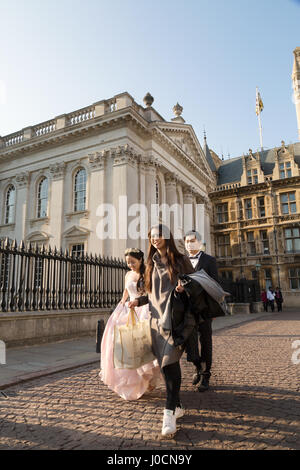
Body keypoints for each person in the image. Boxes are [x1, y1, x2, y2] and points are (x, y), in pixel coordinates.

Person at [128, 224, 194, 437]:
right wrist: (138, 301)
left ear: (167, 237)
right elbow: (151, 295)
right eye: (152, 236)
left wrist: (184, 289)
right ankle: (177, 405)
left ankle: (168, 415)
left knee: (170, 363)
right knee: (165, 367)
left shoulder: (181, 260)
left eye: (159, 235)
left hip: (176, 321)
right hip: (156, 323)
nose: (155, 239)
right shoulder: (149, 264)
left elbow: (196, 284)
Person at [100, 248, 161, 400]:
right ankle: (132, 382)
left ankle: (147, 380)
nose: (130, 265)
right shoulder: (128, 274)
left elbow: (150, 294)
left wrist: (138, 302)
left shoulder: (147, 273)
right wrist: (121, 306)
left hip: (143, 309)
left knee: (143, 347)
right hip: (129, 308)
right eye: (128, 263)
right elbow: (125, 293)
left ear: (140, 260)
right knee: (126, 346)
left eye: (133, 262)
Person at [184, 230, 219, 392]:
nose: (190, 244)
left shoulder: (209, 261)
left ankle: (205, 374)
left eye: (193, 241)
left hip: (204, 309)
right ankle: (198, 366)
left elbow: (215, 284)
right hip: (186, 310)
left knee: (206, 342)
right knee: (189, 343)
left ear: (199, 242)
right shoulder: (182, 261)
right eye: (187, 241)